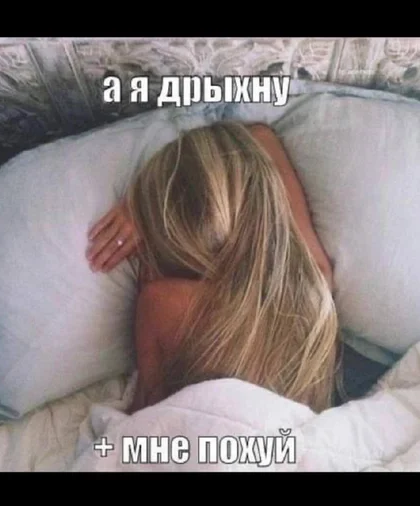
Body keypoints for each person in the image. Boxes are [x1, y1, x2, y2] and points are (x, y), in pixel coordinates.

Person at [84, 122, 361, 414]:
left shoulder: (162, 302)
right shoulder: (312, 287)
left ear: (171, 223)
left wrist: (148, 201)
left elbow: (143, 417)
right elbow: (262, 136)